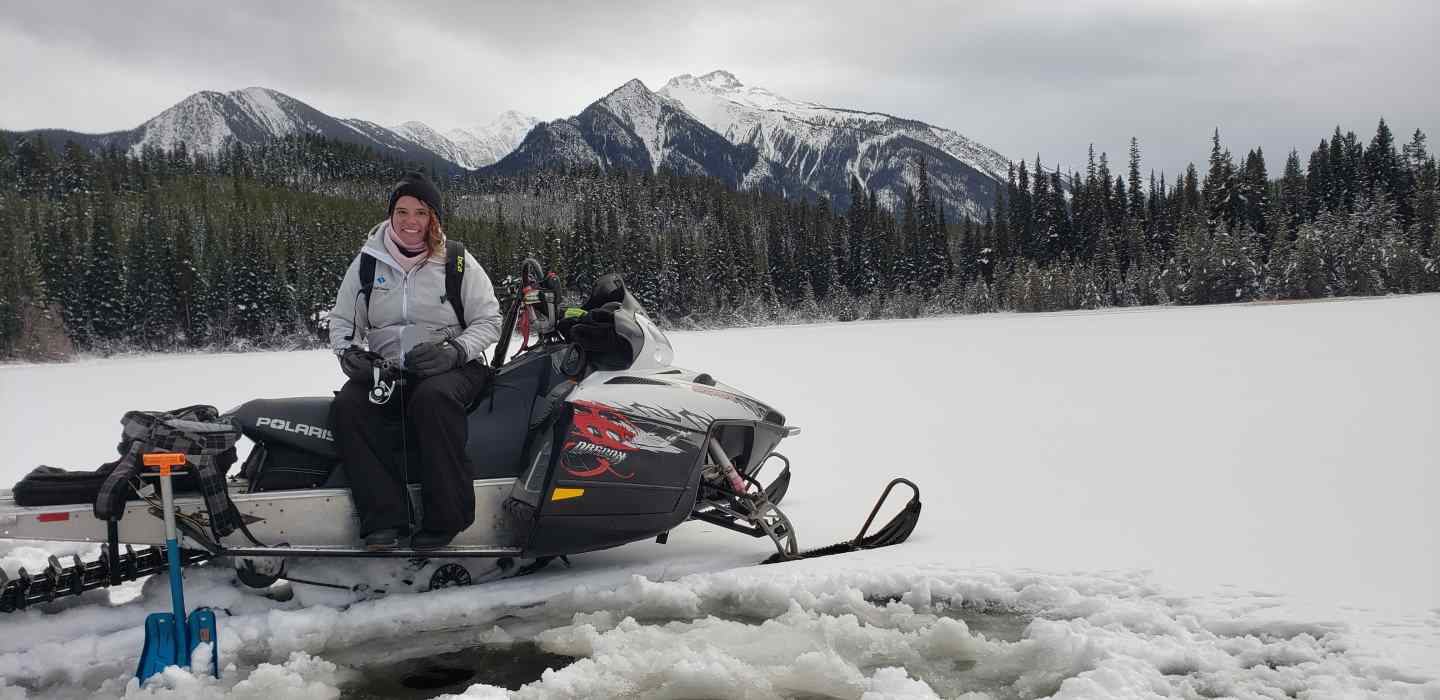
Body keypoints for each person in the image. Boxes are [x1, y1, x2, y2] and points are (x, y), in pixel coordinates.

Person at [328, 172, 502, 551]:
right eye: (402, 211)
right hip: (390, 367)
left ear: (433, 219)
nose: (410, 221)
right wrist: (350, 355)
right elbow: (343, 321)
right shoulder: (367, 264)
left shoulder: (456, 261)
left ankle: (446, 519)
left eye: (420, 213)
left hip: (454, 366)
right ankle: (384, 521)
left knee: (433, 400)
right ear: (390, 215)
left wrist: (455, 351)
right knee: (349, 406)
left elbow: (489, 321)